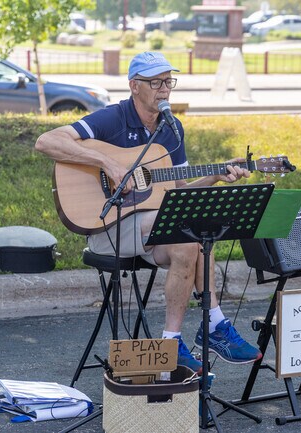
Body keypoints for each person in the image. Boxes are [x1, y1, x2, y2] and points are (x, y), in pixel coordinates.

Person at [35, 52, 262, 375]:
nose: (164, 89)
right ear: (134, 86)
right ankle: (214, 325)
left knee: (192, 239)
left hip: (152, 227)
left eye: (168, 81)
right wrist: (108, 164)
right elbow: (46, 142)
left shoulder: (172, 128)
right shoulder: (113, 118)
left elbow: (179, 192)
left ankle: (177, 340)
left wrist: (215, 177)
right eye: (155, 82)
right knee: (184, 226)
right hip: (106, 227)